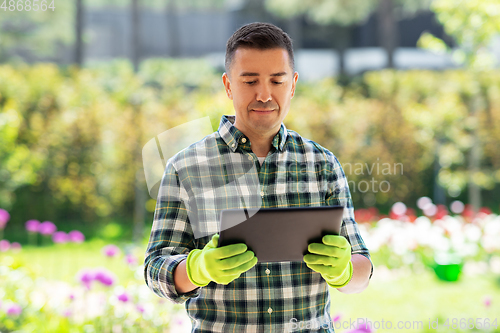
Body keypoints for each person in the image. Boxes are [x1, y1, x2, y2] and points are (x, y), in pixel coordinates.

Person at [144, 22, 372, 332]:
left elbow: (362, 269)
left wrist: (344, 271)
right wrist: (197, 269)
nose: (264, 95)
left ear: (292, 85)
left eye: (277, 81)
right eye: (250, 81)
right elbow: (155, 268)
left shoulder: (322, 165)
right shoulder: (186, 167)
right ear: (228, 85)